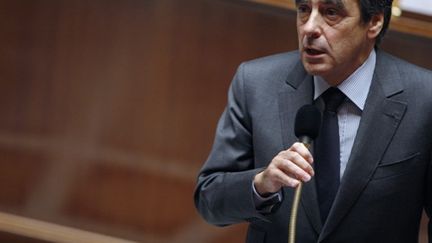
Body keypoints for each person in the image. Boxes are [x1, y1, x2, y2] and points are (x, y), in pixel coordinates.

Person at [194, 0, 432, 242]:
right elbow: (209, 199)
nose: (309, 28)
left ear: (374, 22)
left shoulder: (425, 99)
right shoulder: (255, 84)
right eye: (304, 10)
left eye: (331, 13)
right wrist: (261, 184)